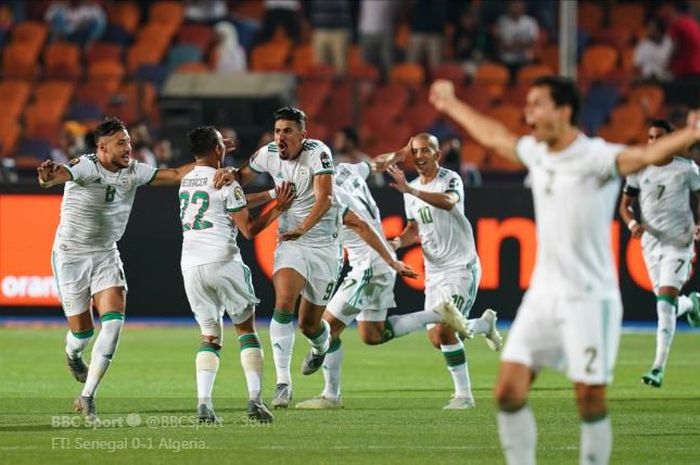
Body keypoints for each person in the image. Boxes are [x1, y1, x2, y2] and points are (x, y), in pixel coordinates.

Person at [428, 76, 700, 465]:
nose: (528, 112)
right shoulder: (539, 153)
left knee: (589, 400)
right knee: (507, 392)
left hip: (590, 299)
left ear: (564, 111)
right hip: (542, 297)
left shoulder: (597, 156)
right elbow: (495, 136)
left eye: (538, 104)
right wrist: (451, 104)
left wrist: (690, 133)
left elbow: (642, 157)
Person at [295, 150, 501, 410]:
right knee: (372, 335)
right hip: (376, 262)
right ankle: (439, 315)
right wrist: (403, 151)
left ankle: (330, 394)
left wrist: (389, 259)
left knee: (325, 327)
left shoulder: (329, 194)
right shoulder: (348, 170)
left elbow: (360, 225)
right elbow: (379, 163)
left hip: (370, 265)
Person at [36, 117, 197, 422]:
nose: (128, 147)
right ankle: (73, 353)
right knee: (82, 332)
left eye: (129, 141)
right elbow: (59, 176)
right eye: (121, 142)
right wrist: (47, 177)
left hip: (106, 253)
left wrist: (207, 164)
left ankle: (87, 396)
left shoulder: (134, 171)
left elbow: (175, 174)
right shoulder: (86, 165)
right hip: (71, 255)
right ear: (102, 148)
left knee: (113, 323)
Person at [213, 106, 340, 409]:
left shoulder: (318, 153)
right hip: (290, 243)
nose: (280, 137)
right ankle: (283, 383)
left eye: (287, 131)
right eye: (277, 130)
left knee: (310, 325)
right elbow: (238, 179)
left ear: (302, 135)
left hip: (323, 245)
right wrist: (226, 171)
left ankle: (320, 346)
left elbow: (326, 199)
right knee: (283, 303)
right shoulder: (267, 153)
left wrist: (303, 227)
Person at [179, 126, 294, 423]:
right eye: (221, 144)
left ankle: (204, 404)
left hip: (191, 265)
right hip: (223, 260)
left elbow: (229, 201)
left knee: (210, 336)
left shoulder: (187, 180)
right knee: (246, 331)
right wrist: (278, 207)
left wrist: (268, 193)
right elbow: (249, 229)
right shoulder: (227, 182)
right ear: (218, 149)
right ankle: (255, 401)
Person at [381, 134, 501, 410]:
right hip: (434, 272)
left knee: (446, 330)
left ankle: (464, 396)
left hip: (461, 267)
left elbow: (448, 201)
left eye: (426, 150)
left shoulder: (450, 179)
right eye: (415, 151)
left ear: (437, 155)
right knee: (437, 338)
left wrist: (411, 192)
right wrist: (399, 241)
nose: (420, 156)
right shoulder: (410, 189)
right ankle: (483, 325)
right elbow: (415, 228)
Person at [618, 119, 700, 388]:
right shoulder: (639, 169)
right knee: (667, 304)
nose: (653, 142)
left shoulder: (686, 169)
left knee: (664, 304)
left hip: (679, 242)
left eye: (659, 137)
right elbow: (625, 206)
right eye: (650, 137)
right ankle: (692, 304)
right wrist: (632, 224)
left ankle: (657, 368)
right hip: (651, 244)